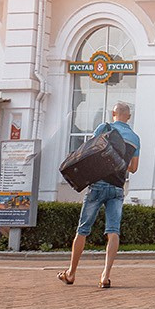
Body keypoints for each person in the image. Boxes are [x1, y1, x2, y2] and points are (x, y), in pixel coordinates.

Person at [60, 101, 139, 290]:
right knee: (113, 231)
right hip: (117, 187)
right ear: (128, 117)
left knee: (83, 229)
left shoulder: (104, 128)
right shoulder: (135, 138)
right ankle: (105, 276)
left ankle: (71, 273)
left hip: (97, 184)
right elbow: (134, 168)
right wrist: (120, 161)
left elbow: (90, 150)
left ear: (113, 113)